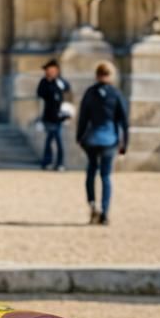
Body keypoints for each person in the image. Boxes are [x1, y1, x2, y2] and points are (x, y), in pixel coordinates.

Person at [76, 62, 128, 226]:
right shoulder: (116, 94)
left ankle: (92, 204)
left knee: (91, 172)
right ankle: (105, 212)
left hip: (92, 139)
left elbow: (83, 118)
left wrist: (79, 137)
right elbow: (123, 121)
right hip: (109, 139)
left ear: (96, 75)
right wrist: (124, 144)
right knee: (106, 176)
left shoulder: (90, 93)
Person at [37, 59, 71, 171]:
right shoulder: (44, 82)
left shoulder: (61, 82)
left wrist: (69, 113)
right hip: (49, 115)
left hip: (60, 116)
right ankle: (49, 162)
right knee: (50, 139)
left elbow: (68, 95)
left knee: (57, 139)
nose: (49, 72)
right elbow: (40, 94)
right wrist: (48, 82)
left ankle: (58, 163)